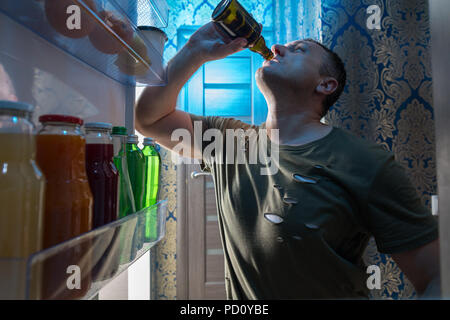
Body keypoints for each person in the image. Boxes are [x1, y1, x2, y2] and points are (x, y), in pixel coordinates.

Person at [135, 22, 440, 299]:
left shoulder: (366, 163)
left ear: (326, 85)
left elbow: (436, 277)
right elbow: (148, 119)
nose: (277, 48)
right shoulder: (228, 140)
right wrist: (194, 51)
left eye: (299, 50)